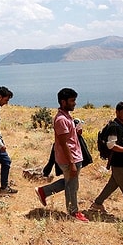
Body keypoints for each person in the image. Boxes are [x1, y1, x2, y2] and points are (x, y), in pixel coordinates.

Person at [34, 88, 89, 222]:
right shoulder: (61, 119)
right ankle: (73, 212)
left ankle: (43, 192)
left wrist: (76, 132)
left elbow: (68, 138)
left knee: (69, 182)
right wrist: (71, 163)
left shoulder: (67, 116)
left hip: (74, 156)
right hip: (69, 158)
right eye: (72, 101)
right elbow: (64, 144)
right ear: (63, 102)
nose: (74, 103)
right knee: (72, 185)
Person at [89, 101, 123, 221]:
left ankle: (97, 204)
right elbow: (111, 145)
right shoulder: (114, 126)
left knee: (112, 185)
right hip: (120, 163)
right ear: (117, 112)